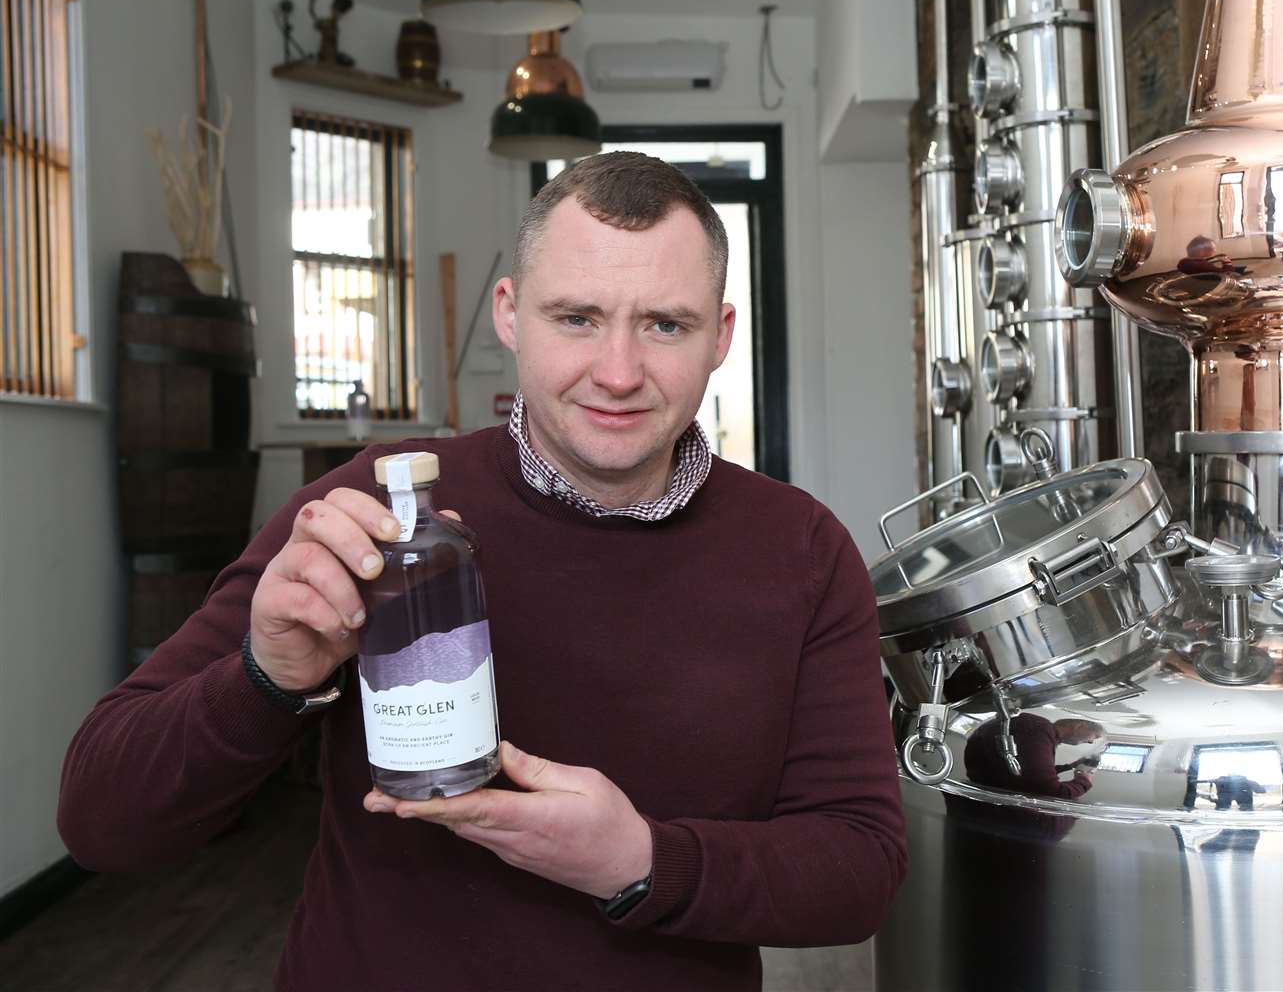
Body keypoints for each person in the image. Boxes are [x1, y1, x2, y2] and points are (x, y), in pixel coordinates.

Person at [57, 152, 906, 991]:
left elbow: (860, 869)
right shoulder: (375, 511)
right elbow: (101, 819)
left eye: (665, 325)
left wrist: (641, 861)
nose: (617, 372)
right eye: (576, 318)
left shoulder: (802, 552)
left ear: (721, 336)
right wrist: (266, 677)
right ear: (510, 313)